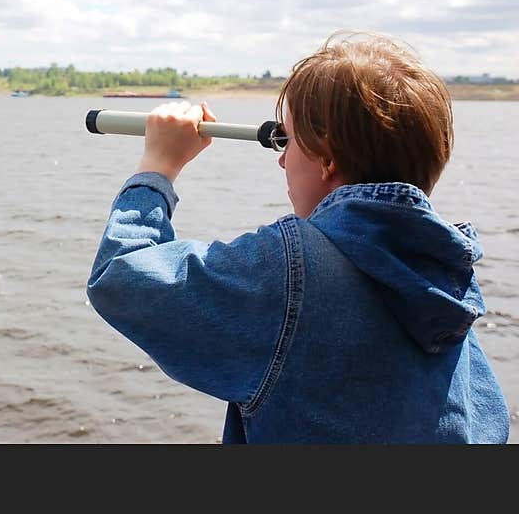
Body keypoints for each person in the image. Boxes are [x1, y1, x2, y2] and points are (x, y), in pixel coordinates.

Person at [86, 32, 510, 443]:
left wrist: (158, 166)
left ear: (327, 158)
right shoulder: (444, 275)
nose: (283, 159)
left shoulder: (292, 271)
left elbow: (120, 278)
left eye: (287, 140)